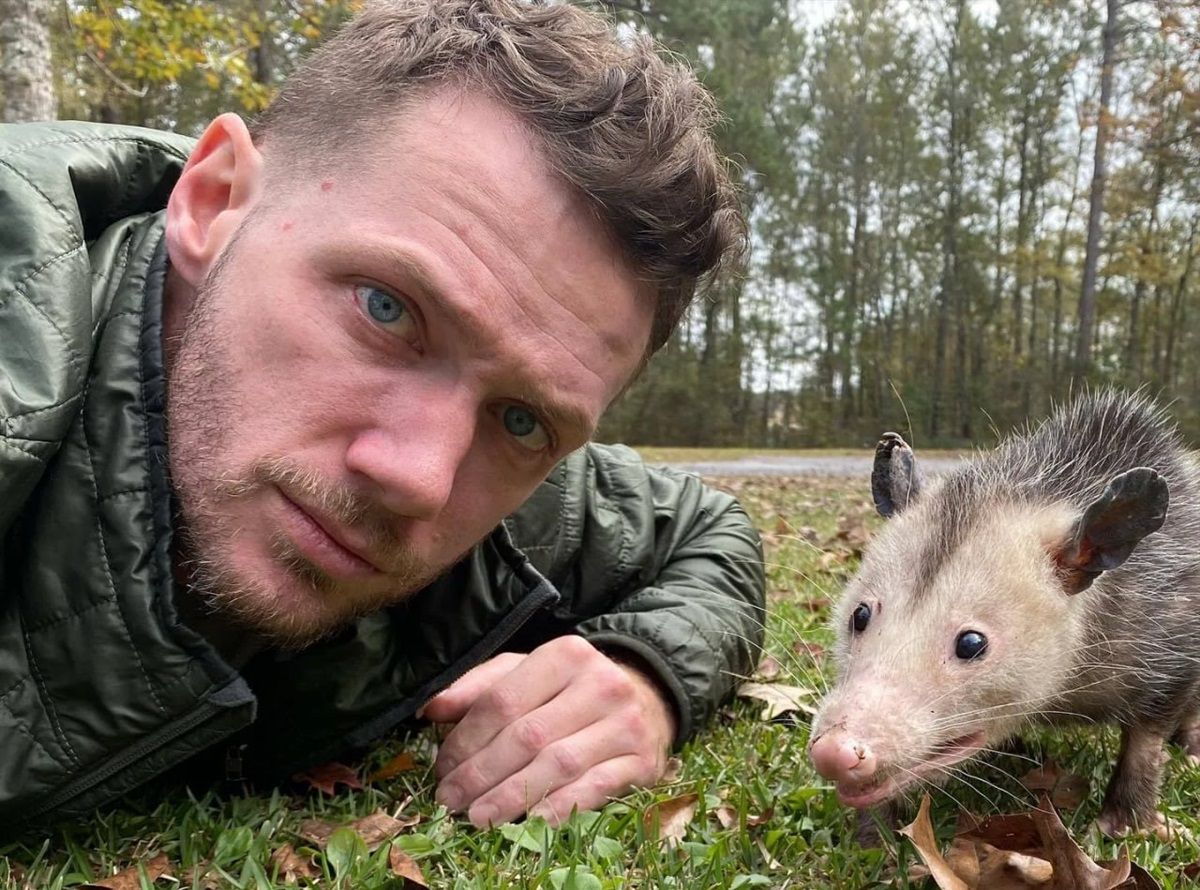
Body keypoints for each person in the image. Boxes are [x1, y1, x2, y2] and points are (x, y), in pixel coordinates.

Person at [0, 0, 764, 833]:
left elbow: (708, 535)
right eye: (388, 310)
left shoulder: (501, 479)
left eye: (522, 421)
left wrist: (645, 675)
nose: (419, 478)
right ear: (214, 202)